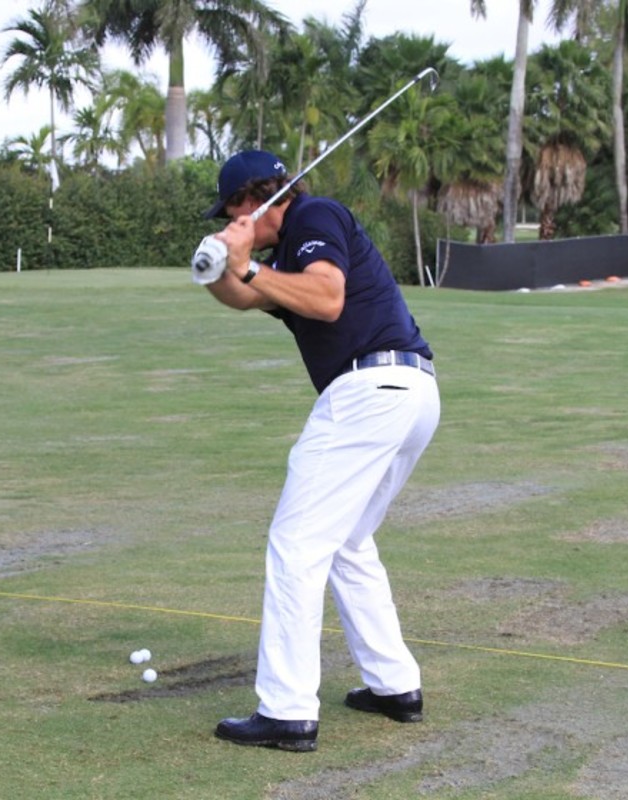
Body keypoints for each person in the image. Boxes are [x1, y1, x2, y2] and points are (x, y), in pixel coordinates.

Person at [198, 150, 441, 752]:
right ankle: (393, 685)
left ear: (249, 203)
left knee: (297, 543)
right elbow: (250, 297)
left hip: (367, 392)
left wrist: (246, 267)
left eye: (232, 210)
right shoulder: (285, 257)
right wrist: (218, 269)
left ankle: (286, 711)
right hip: (410, 392)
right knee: (347, 541)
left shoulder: (314, 216)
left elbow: (327, 297)